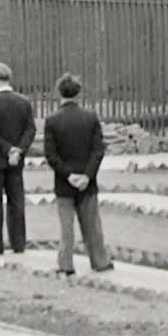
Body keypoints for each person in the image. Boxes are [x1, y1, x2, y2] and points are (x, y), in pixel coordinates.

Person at [43, 74, 111, 275]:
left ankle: (66, 264)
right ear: (79, 93)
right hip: (87, 181)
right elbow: (98, 150)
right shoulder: (91, 117)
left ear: (59, 93)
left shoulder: (52, 120)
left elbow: (51, 154)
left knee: (67, 226)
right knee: (92, 225)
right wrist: (87, 175)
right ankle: (100, 261)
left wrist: (68, 174)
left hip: (64, 182)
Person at [0, 61, 35, 256]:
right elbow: (30, 129)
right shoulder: (24, 101)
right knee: (16, 200)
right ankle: (18, 243)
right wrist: (18, 150)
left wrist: (7, 149)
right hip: (16, 161)